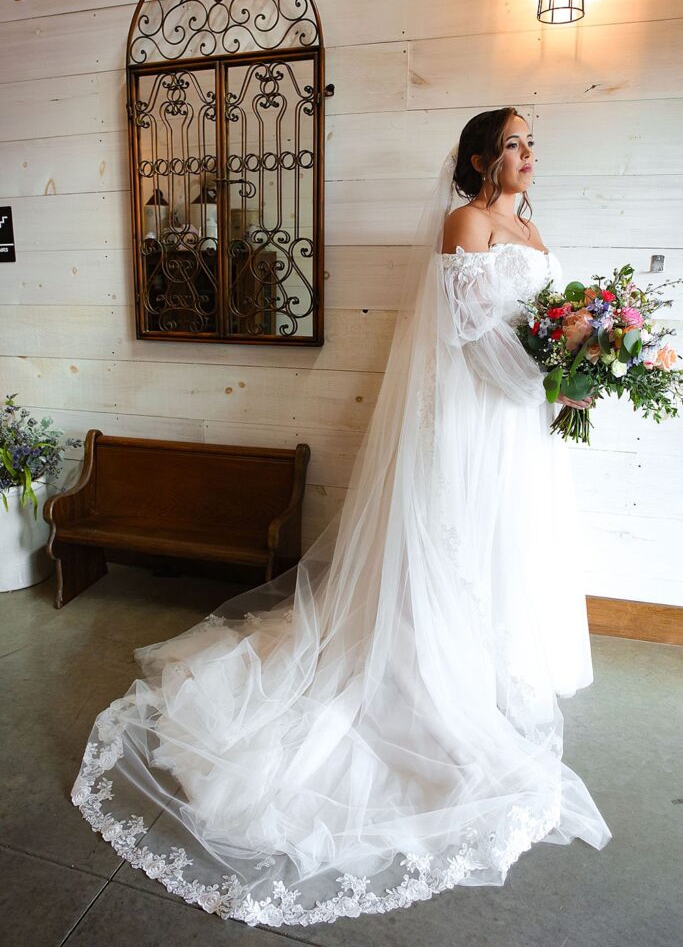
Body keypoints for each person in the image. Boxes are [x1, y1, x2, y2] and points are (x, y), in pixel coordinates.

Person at [70, 107, 612, 929]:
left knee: (512, 542)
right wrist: (552, 383)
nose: (528, 154)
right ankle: (432, 670)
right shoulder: (462, 221)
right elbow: (469, 335)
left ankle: (498, 666)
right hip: (476, 416)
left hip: (521, 428)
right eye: (512, 143)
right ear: (476, 158)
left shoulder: (530, 232)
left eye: (533, 141)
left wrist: (578, 360)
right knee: (456, 543)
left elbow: (539, 327)